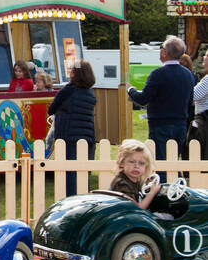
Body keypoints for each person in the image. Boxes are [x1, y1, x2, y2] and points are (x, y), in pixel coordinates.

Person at [127, 36, 194, 168]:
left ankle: (163, 187)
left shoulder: (158, 74)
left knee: (160, 163)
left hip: (160, 124)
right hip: (180, 124)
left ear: (164, 52)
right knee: (174, 163)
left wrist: (131, 90)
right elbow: (190, 100)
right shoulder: (188, 75)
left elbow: (143, 98)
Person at [47, 59, 97, 197]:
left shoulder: (68, 90)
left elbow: (51, 109)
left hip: (68, 135)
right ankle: (84, 196)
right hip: (87, 135)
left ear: (75, 73)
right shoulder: (90, 93)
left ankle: (71, 197)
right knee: (83, 170)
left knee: (69, 171)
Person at [107, 139, 161, 210]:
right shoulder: (122, 184)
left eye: (141, 163)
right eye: (132, 162)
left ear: (146, 166)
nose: (136, 166)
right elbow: (137, 209)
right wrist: (152, 193)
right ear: (122, 163)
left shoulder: (133, 180)